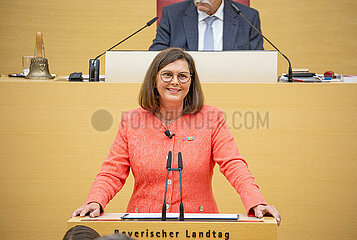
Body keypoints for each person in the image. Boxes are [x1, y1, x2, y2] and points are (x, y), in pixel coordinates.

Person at [72, 48, 280, 226]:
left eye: (182, 76)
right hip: (143, 223)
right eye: (167, 75)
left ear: (191, 82)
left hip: (199, 225)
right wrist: (95, 201)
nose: (175, 82)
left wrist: (256, 202)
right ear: (154, 79)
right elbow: (112, 172)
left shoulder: (211, 118)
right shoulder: (131, 121)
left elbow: (234, 165)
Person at [149, 0, 263, 51]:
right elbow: (156, 54)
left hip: (233, 85)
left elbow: (258, 61)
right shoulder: (172, 15)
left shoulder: (247, 17)